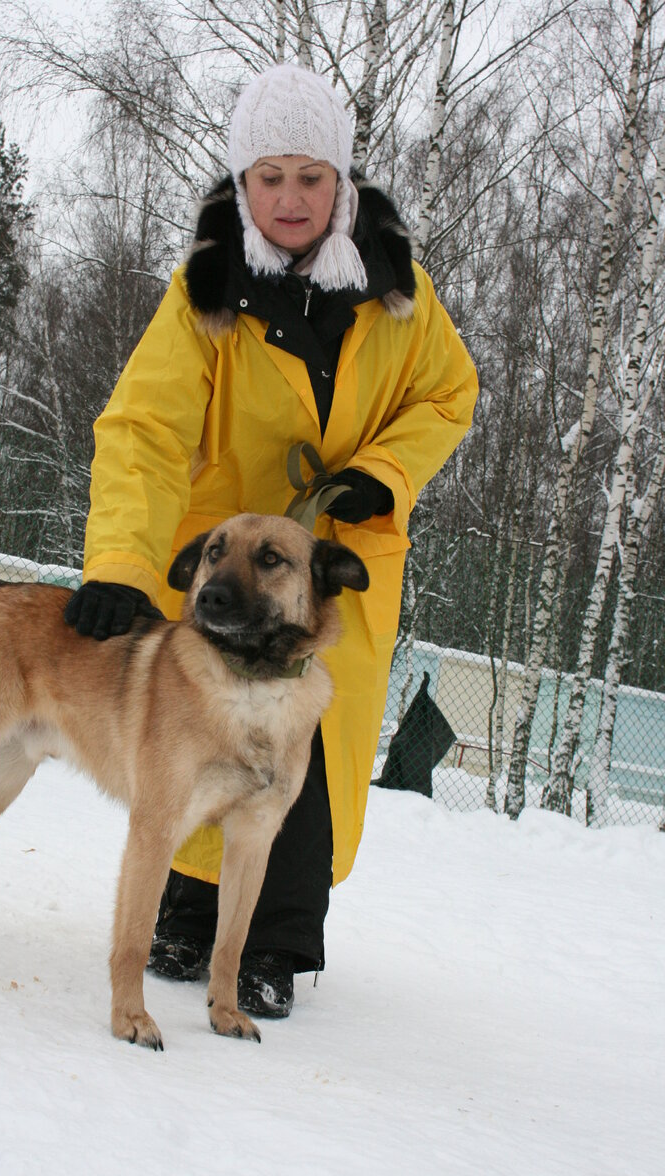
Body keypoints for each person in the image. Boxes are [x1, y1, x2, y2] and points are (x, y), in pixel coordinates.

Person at [64, 62, 478, 1019]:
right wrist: (124, 565)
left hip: (334, 563)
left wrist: (388, 469)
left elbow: (451, 394)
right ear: (242, 185)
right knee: (195, 733)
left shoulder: (399, 293)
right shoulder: (205, 294)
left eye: (310, 175)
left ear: (342, 181)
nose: (290, 198)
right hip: (227, 565)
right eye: (269, 176)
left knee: (308, 744)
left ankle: (276, 947)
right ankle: (186, 911)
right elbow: (145, 429)